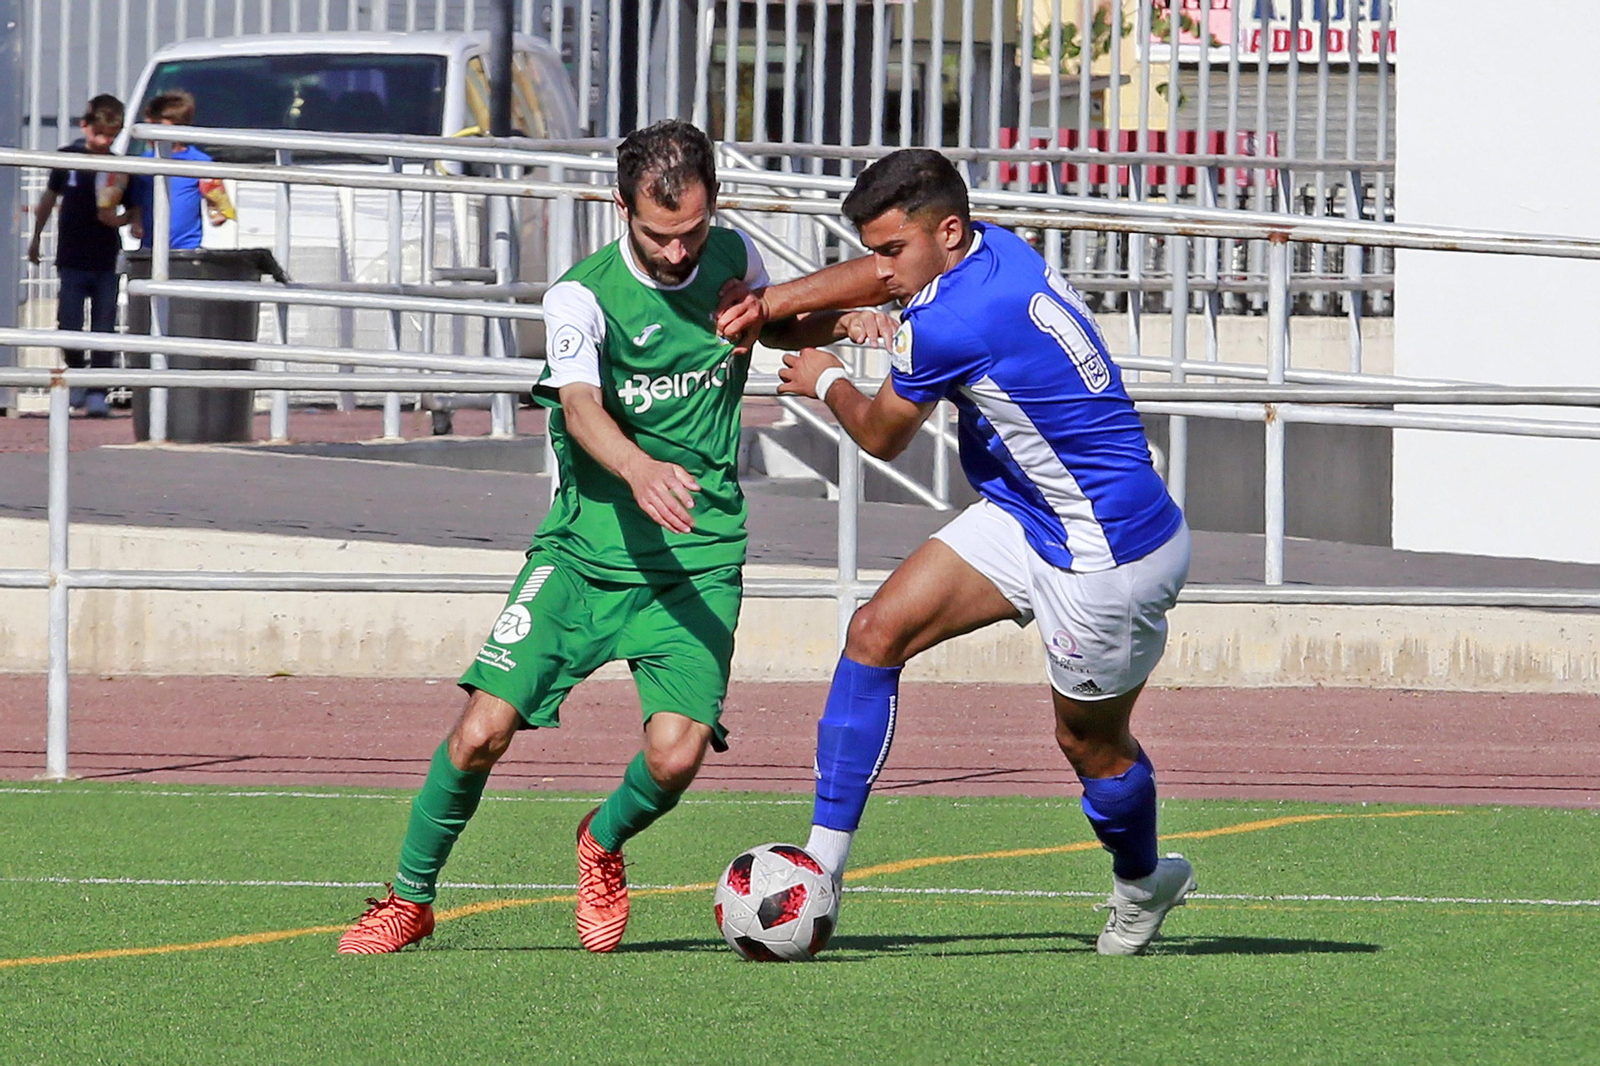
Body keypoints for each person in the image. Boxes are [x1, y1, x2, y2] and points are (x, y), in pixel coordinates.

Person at [336, 120, 884, 956]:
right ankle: (409, 899)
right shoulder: (580, 298)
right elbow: (581, 406)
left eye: (692, 231)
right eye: (659, 235)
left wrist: (841, 324)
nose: (677, 252)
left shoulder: (733, 257)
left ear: (714, 205)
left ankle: (601, 842)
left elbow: (765, 325)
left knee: (675, 758)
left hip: (697, 559)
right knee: (481, 731)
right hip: (584, 556)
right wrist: (636, 468)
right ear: (620, 207)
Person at [717, 149, 1195, 956]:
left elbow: (881, 435)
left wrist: (826, 377)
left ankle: (1144, 882)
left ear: (945, 232)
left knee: (1090, 744)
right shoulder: (988, 244)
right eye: (876, 250)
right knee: (875, 633)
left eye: (893, 250)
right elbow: (873, 284)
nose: (883, 269)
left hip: (1107, 555)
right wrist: (768, 304)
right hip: (1030, 512)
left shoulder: (951, 322)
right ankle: (822, 870)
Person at [28, 94, 127, 417]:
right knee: (68, 322)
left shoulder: (120, 166)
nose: (104, 142)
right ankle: (77, 375)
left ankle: (98, 390)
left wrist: (123, 221)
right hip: (71, 256)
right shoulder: (67, 158)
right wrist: (36, 236)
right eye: (99, 134)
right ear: (84, 126)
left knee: (104, 326)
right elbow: (49, 197)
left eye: (111, 136)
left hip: (106, 257)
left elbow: (133, 208)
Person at [111, 90, 232, 251]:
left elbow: (218, 206)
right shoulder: (143, 163)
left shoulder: (200, 162)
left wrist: (216, 209)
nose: (151, 132)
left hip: (187, 247)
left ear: (179, 126)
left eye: (157, 125)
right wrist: (136, 222)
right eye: (148, 125)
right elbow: (137, 203)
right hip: (150, 246)